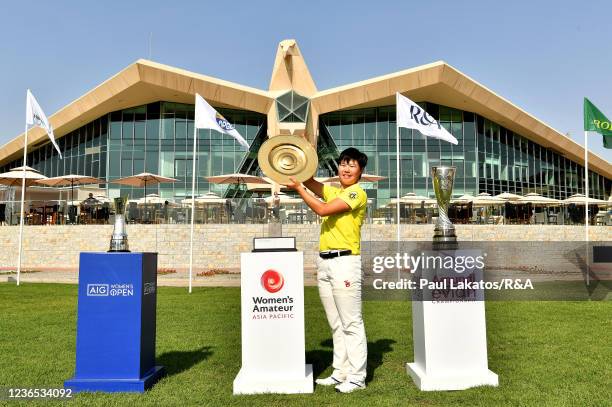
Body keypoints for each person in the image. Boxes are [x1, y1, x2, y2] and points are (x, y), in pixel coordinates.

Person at [285, 147, 368, 393]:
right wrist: (301, 155)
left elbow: (321, 209)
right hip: (325, 262)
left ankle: (357, 377)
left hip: (345, 263)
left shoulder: (356, 194)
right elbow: (311, 182)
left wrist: (299, 190)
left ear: (360, 171)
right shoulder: (336, 191)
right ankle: (340, 372)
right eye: (343, 164)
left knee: (351, 322)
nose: (346, 168)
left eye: (352, 165)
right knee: (335, 323)